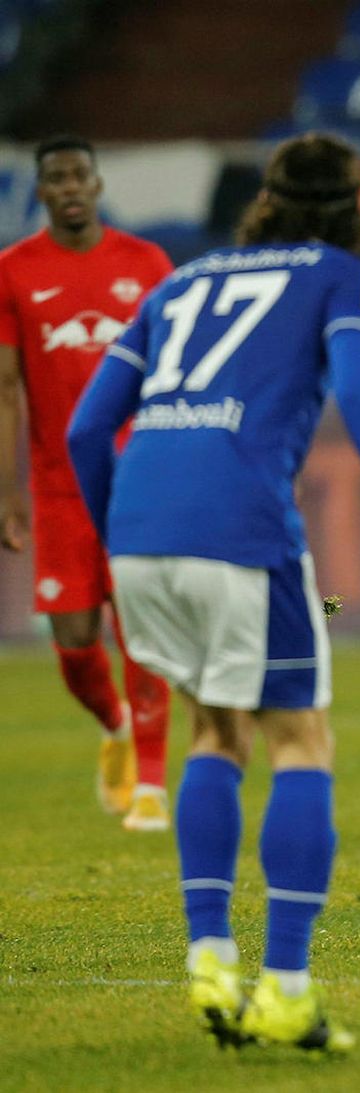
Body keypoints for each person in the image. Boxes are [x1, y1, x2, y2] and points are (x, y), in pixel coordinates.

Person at [67, 132, 360, 1053]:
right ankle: (282, 984)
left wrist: (120, 526)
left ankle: (208, 955)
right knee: (301, 739)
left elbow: (88, 427)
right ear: (355, 205)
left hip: (142, 531)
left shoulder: (181, 283)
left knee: (214, 731)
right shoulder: (336, 278)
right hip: (240, 530)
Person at [0, 136, 175, 831]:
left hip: (138, 482)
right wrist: (9, 490)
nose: (70, 187)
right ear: (41, 191)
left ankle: (153, 787)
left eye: (80, 175)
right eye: (56, 178)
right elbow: (7, 388)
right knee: (75, 642)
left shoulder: (147, 265)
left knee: (143, 632)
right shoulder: (15, 271)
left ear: (97, 185)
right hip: (58, 488)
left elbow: (175, 372)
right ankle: (115, 724)